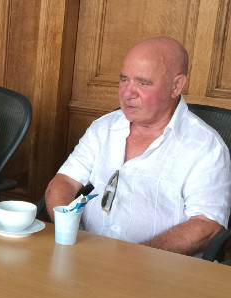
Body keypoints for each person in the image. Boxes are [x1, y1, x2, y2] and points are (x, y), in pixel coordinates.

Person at [45, 36, 231, 256]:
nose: (126, 93)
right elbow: (64, 181)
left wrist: (135, 258)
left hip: (160, 274)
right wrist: (67, 229)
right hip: (85, 256)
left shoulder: (205, 147)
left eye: (142, 83)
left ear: (176, 85)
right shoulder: (103, 128)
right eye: (124, 80)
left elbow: (206, 226)